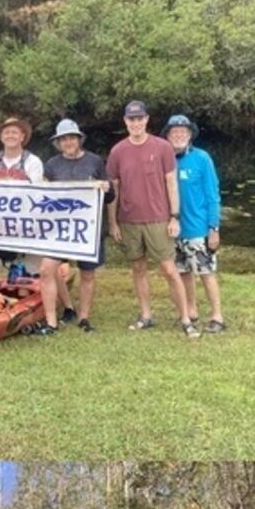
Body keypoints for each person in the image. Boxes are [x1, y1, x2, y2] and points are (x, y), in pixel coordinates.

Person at [107, 100, 195, 336]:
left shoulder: (162, 147)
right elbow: (113, 189)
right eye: (131, 119)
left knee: (168, 268)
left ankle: (186, 318)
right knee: (138, 268)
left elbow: (171, 184)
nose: (135, 123)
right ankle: (146, 315)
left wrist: (174, 217)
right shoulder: (117, 151)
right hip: (128, 219)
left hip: (158, 218)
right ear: (125, 121)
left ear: (146, 119)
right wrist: (113, 222)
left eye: (139, 118)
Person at [39, 119, 109, 333]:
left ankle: (84, 318)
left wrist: (104, 187)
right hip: (59, 229)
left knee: (87, 274)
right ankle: (51, 321)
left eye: (71, 138)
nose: (68, 142)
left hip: (88, 228)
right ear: (58, 142)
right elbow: (43, 195)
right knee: (46, 269)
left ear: (79, 139)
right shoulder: (51, 165)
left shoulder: (95, 161)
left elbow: (110, 193)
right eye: (63, 139)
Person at [168, 115, 226, 333]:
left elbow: (213, 195)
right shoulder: (166, 160)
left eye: (183, 132)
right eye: (174, 132)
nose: (179, 135)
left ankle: (217, 316)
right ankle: (191, 311)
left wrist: (214, 227)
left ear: (190, 135)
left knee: (206, 272)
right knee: (183, 272)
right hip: (175, 229)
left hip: (199, 228)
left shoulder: (202, 158)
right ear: (168, 136)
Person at [0, 116, 44, 298]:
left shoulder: (33, 162)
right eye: (6, 132)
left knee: (33, 265)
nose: (10, 135)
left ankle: (30, 298)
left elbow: (36, 192)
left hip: (23, 224)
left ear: (22, 136)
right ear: (1, 137)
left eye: (14, 131)